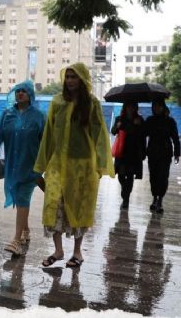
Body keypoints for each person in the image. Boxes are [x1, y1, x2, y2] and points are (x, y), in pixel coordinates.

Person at [34, 63, 115, 268]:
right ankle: (58, 250)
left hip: (82, 166)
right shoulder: (57, 102)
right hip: (57, 165)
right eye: (68, 77)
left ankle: (77, 252)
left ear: (82, 80)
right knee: (53, 205)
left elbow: (99, 135)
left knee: (79, 206)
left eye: (74, 77)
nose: (70, 80)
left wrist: (101, 164)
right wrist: (41, 165)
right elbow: (49, 135)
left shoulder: (92, 103)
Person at [0, 81, 46, 256]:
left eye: (24, 91)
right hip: (13, 165)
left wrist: (49, 165)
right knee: (18, 197)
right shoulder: (7, 114)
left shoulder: (39, 116)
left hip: (32, 165)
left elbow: (47, 142)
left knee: (23, 197)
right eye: (17, 91)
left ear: (30, 95)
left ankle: (16, 240)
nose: (20, 94)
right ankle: (25, 230)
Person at [144, 100, 180, 214]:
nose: (156, 108)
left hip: (165, 153)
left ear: (163, 107)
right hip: (152, 152)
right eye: (154, 106)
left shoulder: (170, 121)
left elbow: (175, 138)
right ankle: (154, 198)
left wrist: (177, 153)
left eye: (158, 106)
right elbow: (143, 134)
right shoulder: (149, 120)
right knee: (153, 176)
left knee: (163, 177)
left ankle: (160, 200)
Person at [110, 101, 146, 210]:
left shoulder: (139, 120)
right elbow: (113, 131)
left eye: (132, 107)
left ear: (135, 108)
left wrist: (138, 126)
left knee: (130, 175)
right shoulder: (119, 119)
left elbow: (143, 136)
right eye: (128, 107)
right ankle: (124, 191)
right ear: (125, 108)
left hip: (134, 152)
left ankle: (126, 200)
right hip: (121, 152)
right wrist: (117, 127)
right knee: (121, 175)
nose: (130, 109)